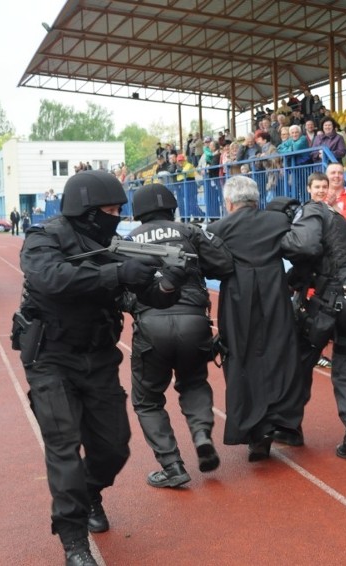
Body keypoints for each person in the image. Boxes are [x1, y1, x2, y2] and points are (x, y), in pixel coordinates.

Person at [16, 170, 191, 566]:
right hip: (51, 357)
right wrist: (116, 272)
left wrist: (168, 281)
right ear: (86, 209)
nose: (115, 216)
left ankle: (91, 491)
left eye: (117, 210)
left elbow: (151, 297)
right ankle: (73, 539)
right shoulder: (44, 238)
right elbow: (50, 280)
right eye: (109, 210)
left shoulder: (114, 245)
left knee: (113, 447)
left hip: (98, 357)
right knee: (63, 446)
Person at [125, 184, 233, 489]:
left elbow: (117, 287)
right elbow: (223, 264)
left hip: (150, 326)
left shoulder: (128, 240)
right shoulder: (190, 230)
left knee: (147, 401)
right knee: (194, 382)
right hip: (194, 322)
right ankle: (201, 435)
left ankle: (172, 466)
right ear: (171, 208)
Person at [281, 173, 346, 459]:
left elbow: (304, 247)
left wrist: (279, 244)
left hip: (338, 297)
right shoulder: (337, 219)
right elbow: (315, 262)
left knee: (302, 356)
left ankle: (290, 426)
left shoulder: (310, 209)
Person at [206, 176, 303, 460]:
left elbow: (211, 269)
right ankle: (282, 422)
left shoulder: (217, 228)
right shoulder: (277, 222)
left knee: (241, 360)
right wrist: (291, 280)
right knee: (280, 356)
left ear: (229, 202)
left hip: (237, 301)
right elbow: (303, 251)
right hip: (275, 296)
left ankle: (253, 429)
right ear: (255, 199)